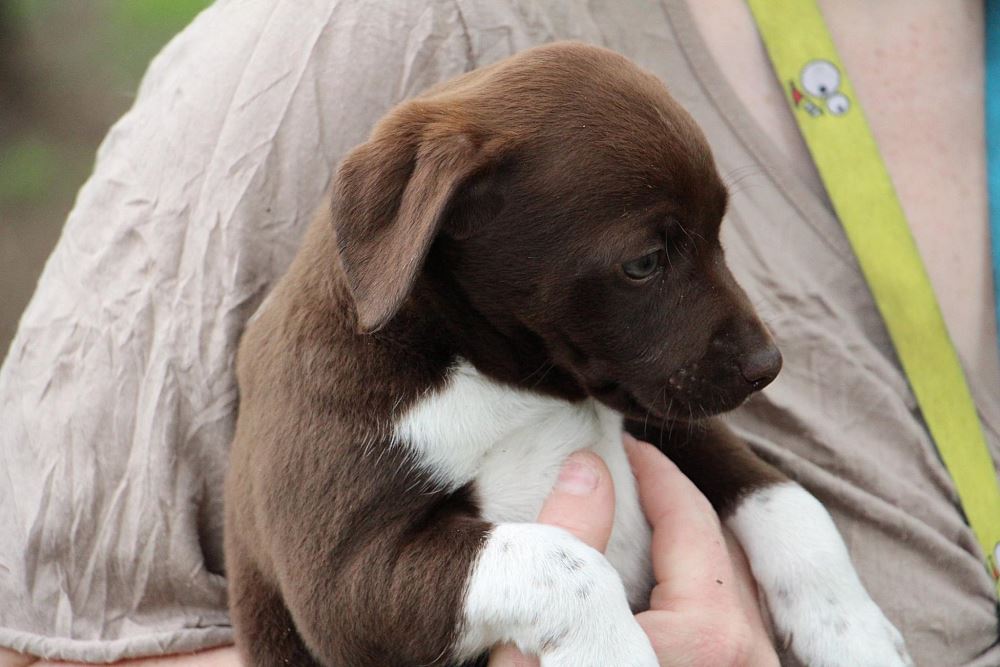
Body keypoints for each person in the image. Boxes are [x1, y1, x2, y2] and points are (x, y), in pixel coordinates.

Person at [1, 0, 996, 665]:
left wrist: (806, 563)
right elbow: (43, 634)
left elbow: (686, 441)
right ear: (439, 217)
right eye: (646, 264)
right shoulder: (369, 38)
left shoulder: (551, 346)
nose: (756, 347)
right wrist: (571, 603)